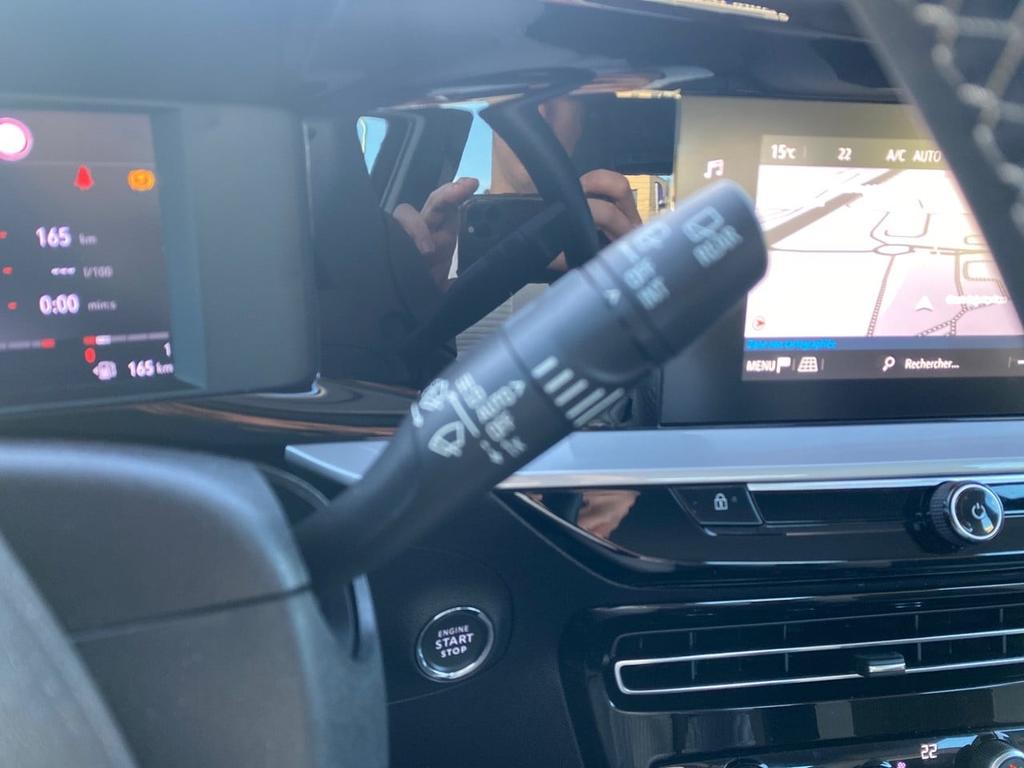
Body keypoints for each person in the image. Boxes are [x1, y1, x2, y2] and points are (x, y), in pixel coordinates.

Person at [392, 96, 643, 289]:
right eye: (521, 90)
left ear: (581, 122)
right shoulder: (440, 243)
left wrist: (640, 279)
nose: (539, 112)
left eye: (562, 93)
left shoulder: (614, 242)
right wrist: (416, 297)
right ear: (490, 105)